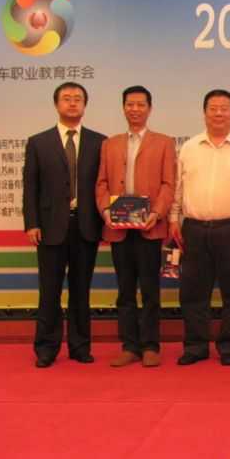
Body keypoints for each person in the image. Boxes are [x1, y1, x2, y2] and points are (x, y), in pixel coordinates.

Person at [169, 89, 230, 366]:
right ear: (204, 112)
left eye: (224, 108)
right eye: (213, 108)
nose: (218, 113)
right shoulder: (189, 147)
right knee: (193, 292)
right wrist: (173, 218)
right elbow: (178, 187)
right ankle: (196, 346)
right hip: (194, 228)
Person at [23, 82, 106, 368]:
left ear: (85, 105)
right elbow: (30, 187)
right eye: (67, 98)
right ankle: (46, 348)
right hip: (49, 227)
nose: (72, 103)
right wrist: (32, 223)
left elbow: (103, 185)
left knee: (81, 291)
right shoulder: (38, 142)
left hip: (86, 226)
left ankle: (80, 346)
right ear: (56, 104)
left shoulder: (99, 142)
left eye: (78, 99)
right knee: (49, 291)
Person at [95, 85, 176, 368]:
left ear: (149, 109)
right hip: (118, 228)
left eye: (141, 104)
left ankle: (151, 346)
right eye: (130, 104)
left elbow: (169, 184)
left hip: (149, 226)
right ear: (123, 108)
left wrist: (157, 212)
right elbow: (102, 183)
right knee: (125, 290)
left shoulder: (164, 143)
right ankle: (129, 346)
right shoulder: (110, 144)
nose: (135, 109)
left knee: (150, 290)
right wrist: (105, 209)